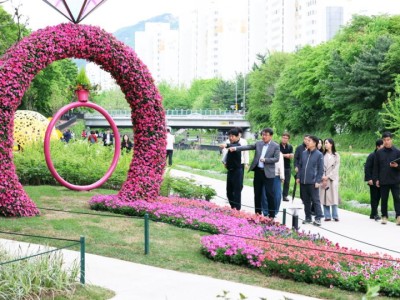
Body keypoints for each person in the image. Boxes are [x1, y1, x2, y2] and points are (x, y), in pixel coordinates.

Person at [226, 128, 280, 218]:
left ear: (271, 136)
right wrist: (235, 148)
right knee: (257, 193)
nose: (264, 136)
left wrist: (266, 160)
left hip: (268, 173)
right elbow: (248, 147)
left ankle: (271, 215)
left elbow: (276, 158)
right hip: (258, 171)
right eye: (263, 134)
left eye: (266, 135)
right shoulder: (259, 143)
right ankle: (258, 213)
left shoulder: (275, 146)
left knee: (269, 194)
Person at [372, 132, 400, 225]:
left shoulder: (397, 152)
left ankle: (398, 217)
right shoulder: (379, 153)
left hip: (395, 180)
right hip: (383, 180)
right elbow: (376, 168)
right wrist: (376, 180)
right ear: (383, 141)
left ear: (391, 139)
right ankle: (384, 217)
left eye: (388, 140)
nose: (386, 142)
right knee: (384, 199)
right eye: (384, 140)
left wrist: (397, 166)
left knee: (397, 199)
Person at [296, 135, 324, 226]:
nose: (307, 142)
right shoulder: (304, 153)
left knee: (316, 200)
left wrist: (318, 181)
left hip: (313, 182)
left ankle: (318, 218)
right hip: (303, 182)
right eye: (307, 141)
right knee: (306, 201)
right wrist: (298, 177)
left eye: (309, 141)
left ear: (315, 143)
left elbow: (320, 169)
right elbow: (300, 166)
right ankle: (308, 217)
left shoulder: (319, 154)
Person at [320, 138, 340, 222]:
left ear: (331, 144)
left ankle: (335, 215)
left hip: (332, 179)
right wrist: (323, 177)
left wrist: (328, 176)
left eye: (327, 143)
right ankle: (327, 216)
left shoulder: (336, 155)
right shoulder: (322, 155)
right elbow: (320, 167)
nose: (325, 145)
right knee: (325, 197)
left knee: (334, 196)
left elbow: (336, 168)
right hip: (324, 179)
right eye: (325, 143)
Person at [222, 128, 243, 210]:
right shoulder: (231, 145)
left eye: (233, 136)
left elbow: (234, 147)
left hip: (237, 172)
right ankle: (233, 207)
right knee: (229, 192)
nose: (230, 138)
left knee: (237, 192)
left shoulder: (238, 145)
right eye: (229, 136)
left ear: (238, 137)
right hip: (230, 171)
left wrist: (227, 145)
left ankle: (237, 210)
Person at [364, 139, 384, 221]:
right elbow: (367, 168)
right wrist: (369, 179)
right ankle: (375, 214)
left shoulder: (383, 155)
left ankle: (373, 214)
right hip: (372, 180)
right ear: (378, 146)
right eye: (382, 146)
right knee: (374, 197)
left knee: (378, 197)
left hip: (381, 180)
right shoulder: (372, 155)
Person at [280, 132, 293, 202]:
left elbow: (291, 155)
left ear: (288, 139)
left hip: (287, 166)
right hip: (279, 167)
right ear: (281, 138)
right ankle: (278, 194)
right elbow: (278, 155)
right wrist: (286, 155)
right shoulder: (277, 146)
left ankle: (285, 195)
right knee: (278, 181)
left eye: (286, 138)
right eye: (284, 138)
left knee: (287, 182)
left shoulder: (290, 147)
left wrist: (283, 155)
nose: (285, 139)